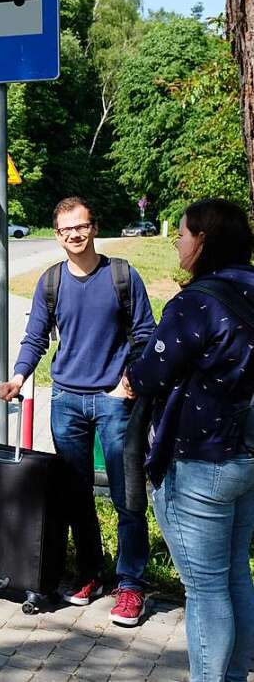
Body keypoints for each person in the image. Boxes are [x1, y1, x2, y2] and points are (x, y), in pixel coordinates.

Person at [0, 196, 155, 626]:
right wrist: (18, 377)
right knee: (75, 495)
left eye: (80, 226)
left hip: (113, 401)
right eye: (65, 229)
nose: (74, 235)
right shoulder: (51, 281)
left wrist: (128, 382)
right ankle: (91, 573)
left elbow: (145, 334)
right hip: (65, 399)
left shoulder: (121, 275)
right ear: (56, 234)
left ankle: (131, 585)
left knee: (128, 497)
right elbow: (35, 337)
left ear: (94, 227)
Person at [126, 198, 254, 681]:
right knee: (235, 574)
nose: (177, 242)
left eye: (182, 233)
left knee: (204, 588)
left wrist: (131, 375)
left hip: (198, 460)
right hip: (244, 453)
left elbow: (150, 373)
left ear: (203, 240)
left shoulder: (195, 302)